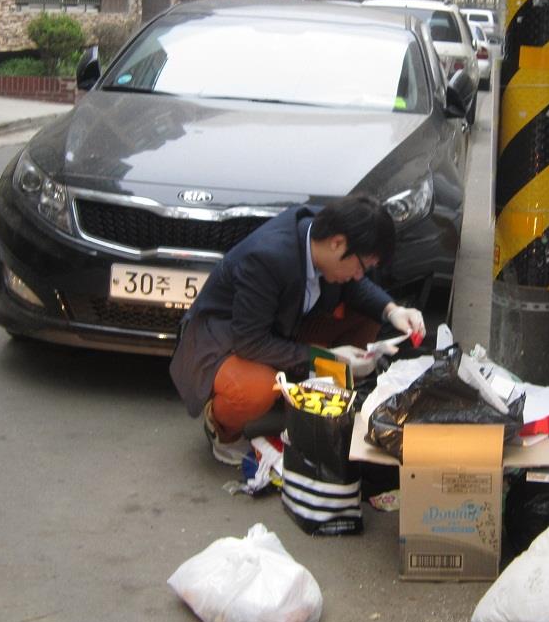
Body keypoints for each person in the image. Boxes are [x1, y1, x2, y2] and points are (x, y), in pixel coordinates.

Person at [169, 194, 426, 465]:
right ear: (337, 244)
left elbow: (355, 286)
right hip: (226, 339)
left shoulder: (324, 234)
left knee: (367, 314)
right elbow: (251, 342)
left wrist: (392, 310)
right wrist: (328, 357)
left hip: (285, 324)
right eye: (362, 266)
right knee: (255, 389)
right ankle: (222, 428)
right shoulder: (267, 257)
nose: (360, 275)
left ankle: (318, 400)